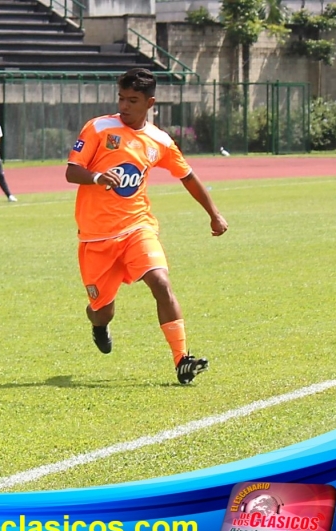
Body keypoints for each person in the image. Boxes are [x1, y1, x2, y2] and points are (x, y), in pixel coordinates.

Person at [65, 68, 228, 384]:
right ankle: (98, 324)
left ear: (150, 102)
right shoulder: (99, 128)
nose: (125, 106)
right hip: (96, 238)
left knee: (161, 282)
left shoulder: (159, 140)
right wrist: (97, 177)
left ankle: (182, 359)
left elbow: (187, 176)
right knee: (102, 310)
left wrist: (214, 213)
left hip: (137, 227)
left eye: (133, 100)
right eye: (122, 98)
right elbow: (72, 171)